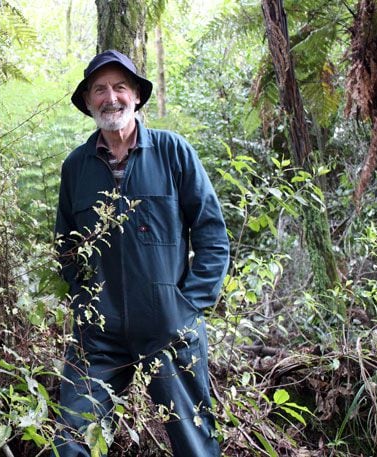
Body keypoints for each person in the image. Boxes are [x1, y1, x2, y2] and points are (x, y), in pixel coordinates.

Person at [53, 50, 230, 457]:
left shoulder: (173, 152)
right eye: (99, 89)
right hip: (97, 335)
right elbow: (66, 245)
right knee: (73, 439)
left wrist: (185, 305)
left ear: (135, 96)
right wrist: (85, 299)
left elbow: (212, 234)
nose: (110, 97)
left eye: (119, 87)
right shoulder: (76, 167)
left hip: (168, 329)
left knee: (194, 442)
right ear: (88, 101)